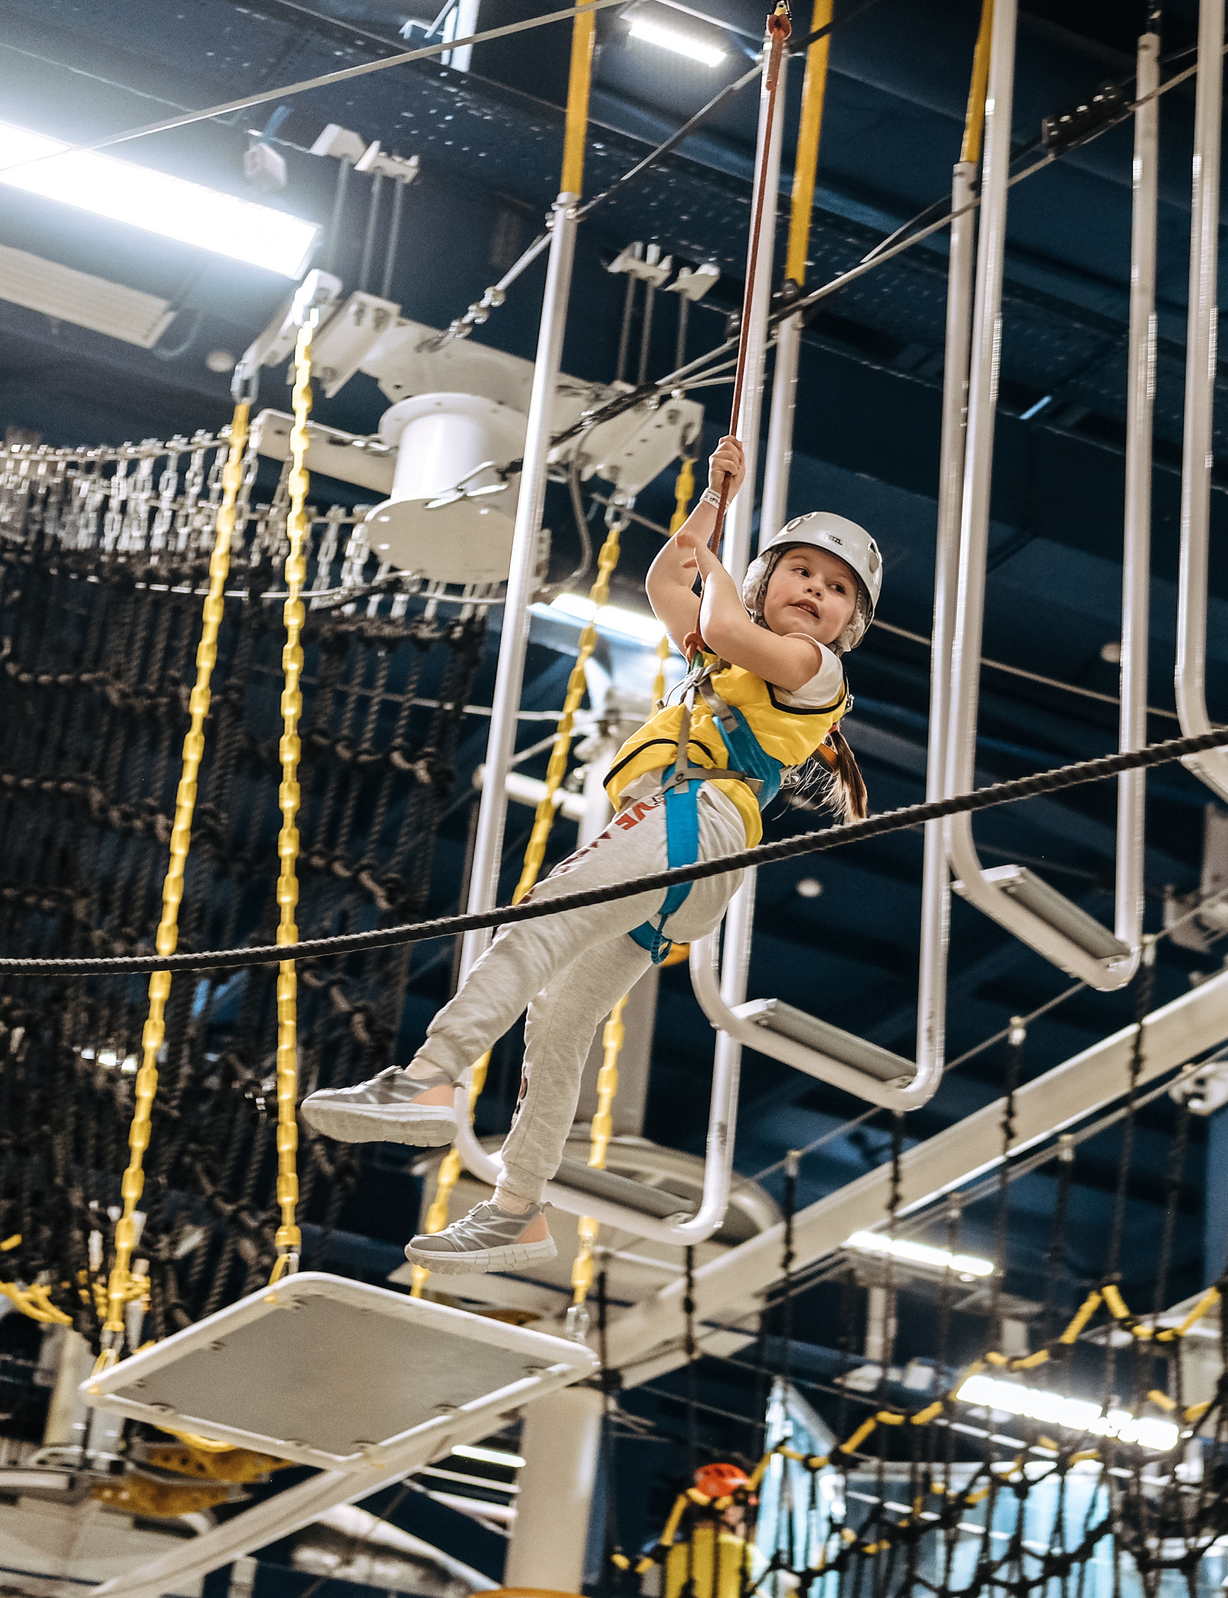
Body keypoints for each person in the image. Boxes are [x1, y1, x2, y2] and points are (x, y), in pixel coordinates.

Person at [300, 434, 877, 1272]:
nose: (816, 591)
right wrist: (713, 503)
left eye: (835, 589)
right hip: (692, 851)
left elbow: (718, 615)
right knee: (560, 1024)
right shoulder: (730, 658)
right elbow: (667, 582)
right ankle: (517, 1209)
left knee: (539, 921)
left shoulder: (813, 667)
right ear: (769, 581)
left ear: (846, 624)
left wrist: (731, 572)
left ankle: (432, 1074)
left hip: (693, 819)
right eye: (803, 572)